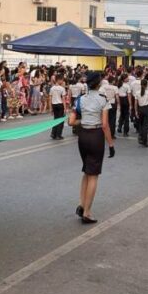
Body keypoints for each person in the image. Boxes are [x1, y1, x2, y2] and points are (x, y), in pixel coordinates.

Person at [68, 72, 114, 224]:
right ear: (98, 84)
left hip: (83, 136)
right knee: (93, 175)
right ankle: (87, 212)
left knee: (86, 171)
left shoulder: (80, 99)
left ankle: (82, 204)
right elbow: (105, 125)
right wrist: (111, 144)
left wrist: (83, 121)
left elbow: (71, 121)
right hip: (95, 135)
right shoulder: (103, 100)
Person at [134, 79, 148, 147]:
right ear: (147, 85)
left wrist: (136, 111)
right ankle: (145, 141)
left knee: (141, 125)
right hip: (146, 109)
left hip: (140, 109)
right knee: (145, 126)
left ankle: (141, 137)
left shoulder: (137, 93)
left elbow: (136, 103)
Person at [50, 74, 67, 140]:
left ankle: (53, 133)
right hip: (60, 105)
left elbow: (50, 98)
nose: (62, 81)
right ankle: (58, 135)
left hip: (54, 105)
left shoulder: (52, 88)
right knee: (60, 121)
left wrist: (51, 108)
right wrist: (65, 108)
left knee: (55, 119)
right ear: (59, 80)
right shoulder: (62, 88)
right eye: (62, 80)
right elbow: (63, 99)